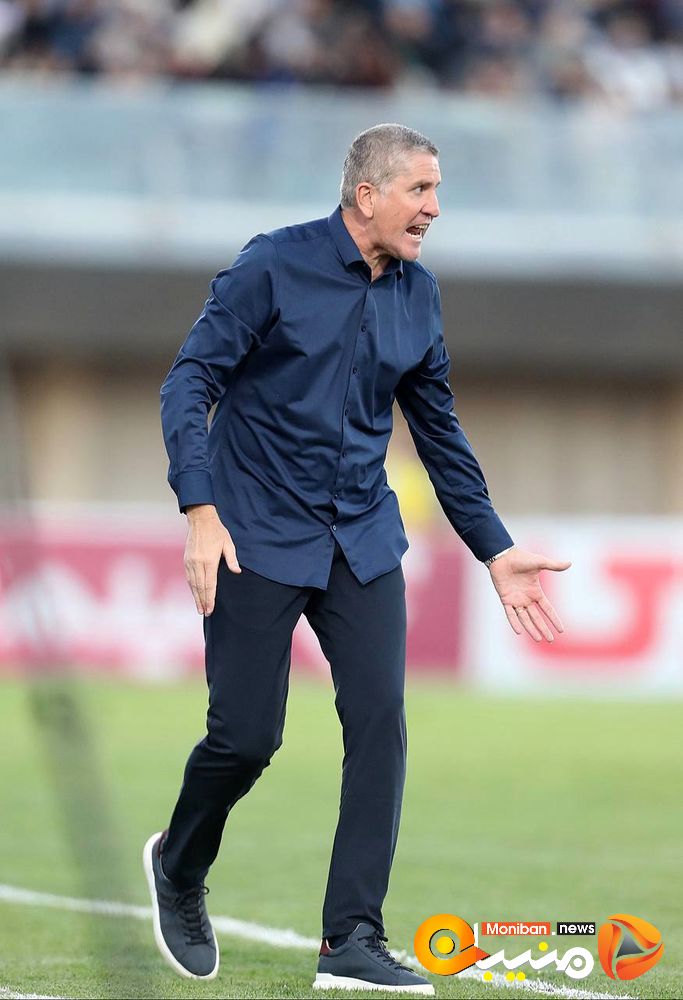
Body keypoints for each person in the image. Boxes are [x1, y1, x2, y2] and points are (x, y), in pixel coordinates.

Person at [144, 123, 570, 993]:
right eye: (420, 189)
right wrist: (199, 508)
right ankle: (178, 866)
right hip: (254, 532)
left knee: (379, 723)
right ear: (366, 196)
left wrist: (493, 548)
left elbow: (439, 434)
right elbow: (189, 381)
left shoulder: (420, 295)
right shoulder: (271, 264)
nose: (434, 208)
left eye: (437, 190)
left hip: (361, 539)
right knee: (246, 738)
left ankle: (352, 939)